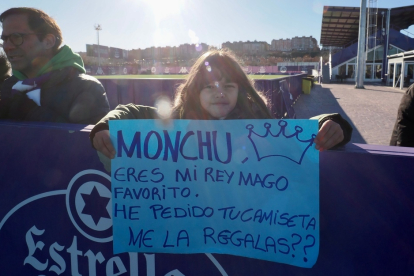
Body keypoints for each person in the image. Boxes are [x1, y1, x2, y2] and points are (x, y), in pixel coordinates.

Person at [91, 49, 352, 159]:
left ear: (240, 90)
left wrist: (331, 125)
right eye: (209, 87)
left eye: (228, 86)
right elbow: (131, 111)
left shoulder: (256, 122)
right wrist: (105, 126)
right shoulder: (175, 120)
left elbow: (297, 131)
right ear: (195, 91)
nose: (220, 93)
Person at [0, 7, 109, 124]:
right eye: (4, 39)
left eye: (17, 37)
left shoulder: (86, 88)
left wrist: (29, 111)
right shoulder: (7, 86)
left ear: (48, 41)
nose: (7, 46)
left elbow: (86, 140)